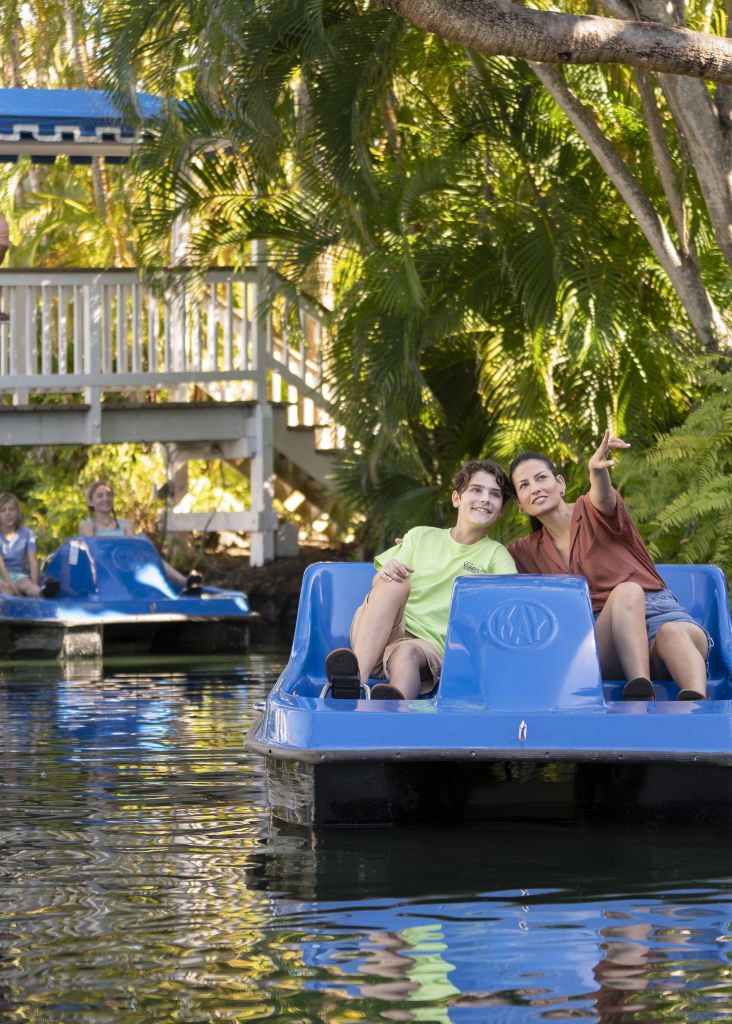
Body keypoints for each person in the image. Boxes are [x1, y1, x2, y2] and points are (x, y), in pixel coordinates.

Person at [508, 431, 709, 701]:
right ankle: (640, 687)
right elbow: (482, 560)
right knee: (627, 591)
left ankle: (696, 708)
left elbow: (602, 496)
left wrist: (597, 471)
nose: (535, 488)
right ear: (521, 505)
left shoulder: (592, 509)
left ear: (560, 483)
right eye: (524, 485)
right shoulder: (523, 551)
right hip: (606, 639)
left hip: (661, 615)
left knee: (671, 632)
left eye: (541, 478)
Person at [324, 460, 516, 700]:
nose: (485, 498)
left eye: (495, 495)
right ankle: (357, 680)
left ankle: (395, 705)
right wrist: (385, 574)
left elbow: (507, 604)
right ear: (456, 498)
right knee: (394, 584)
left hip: (428, 646)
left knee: (407, 653)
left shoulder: (496, 555)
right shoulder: (420, 536)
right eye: (476, 490)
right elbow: (379, 586)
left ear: (500, 510)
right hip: (376, 635)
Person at [79, 480, 203, 594]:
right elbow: (95, 552)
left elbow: (130, 550)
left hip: (126, 567)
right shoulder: (87, 526)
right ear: (91, 502)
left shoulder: (127, 524)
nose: (106, 499)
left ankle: (184, 582)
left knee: (146, 548)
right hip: (102, 571)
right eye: (100, 496)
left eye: (109, 495)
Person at [0, 493, 58, 598]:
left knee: (28, 586)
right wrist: (12, 588)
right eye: (3, 510)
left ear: (17, 512)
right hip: (2, 575)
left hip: (18, 574)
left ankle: (42, 592)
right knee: (5, 587)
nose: (8, 513)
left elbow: (32, 561)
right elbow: (1, 566)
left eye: (11, 509)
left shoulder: (27, 533)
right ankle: (11, 608)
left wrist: (34, 583)